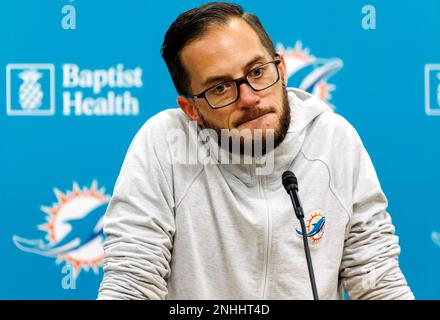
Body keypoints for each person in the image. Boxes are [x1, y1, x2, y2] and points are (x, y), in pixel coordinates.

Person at [97, 2, 414, 300]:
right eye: (220, 88)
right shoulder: (165, 143)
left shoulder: (334, 140)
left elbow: (377, 278)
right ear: (191, 109)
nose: (248, 98)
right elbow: (131, 282)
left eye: (258, 72)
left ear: (283, 68)